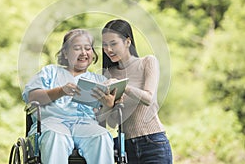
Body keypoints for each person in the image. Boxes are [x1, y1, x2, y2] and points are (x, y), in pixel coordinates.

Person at [22, 29, 115, 164]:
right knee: (56, 136)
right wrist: (61, 91)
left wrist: (108, 104)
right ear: (65, 53)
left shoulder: (99, 80)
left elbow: (104, 116)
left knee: (101, 136)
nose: (83, 53)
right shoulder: (50, 72)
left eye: (88, 48)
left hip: (85, 124)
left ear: (93, 54)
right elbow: (32, 97)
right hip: (53, 122)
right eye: (77, 48)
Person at [100, 19, 173, 164]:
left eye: (113, 44)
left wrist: (123, 87)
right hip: (125, 147)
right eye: (104, 45)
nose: (108, 50)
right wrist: (108, 105)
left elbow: (149, 99)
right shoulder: (109, 74)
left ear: (128, 42)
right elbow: (113, 123)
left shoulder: (147, 62)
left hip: (152, 142)